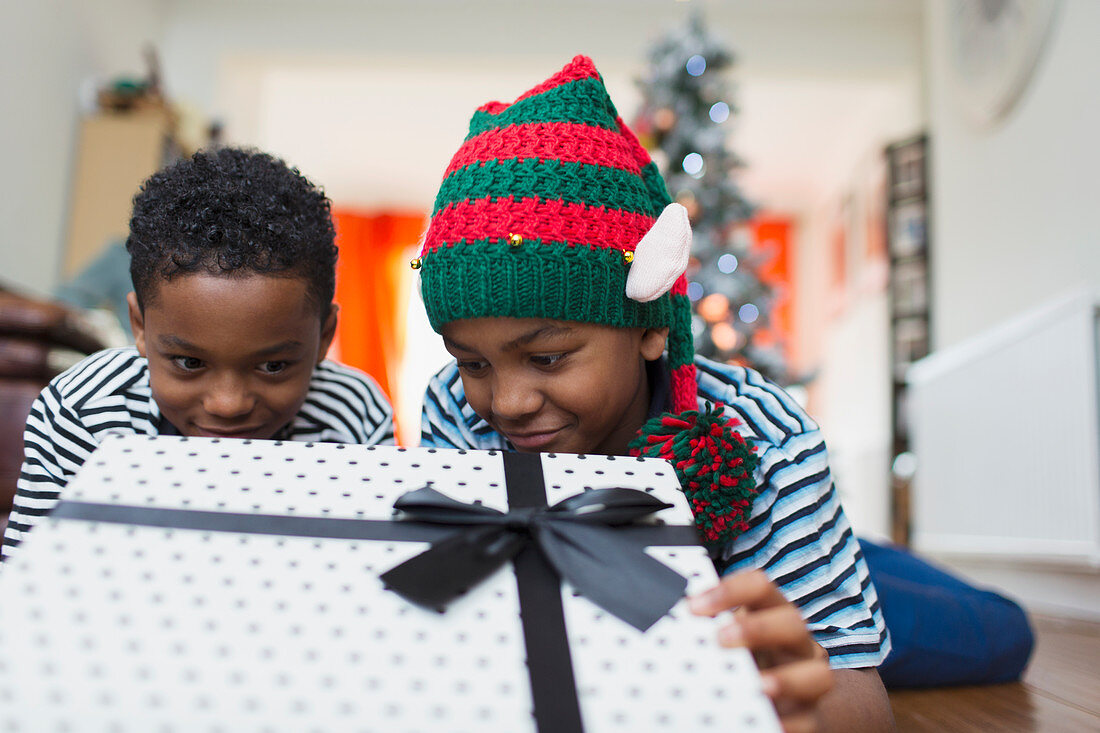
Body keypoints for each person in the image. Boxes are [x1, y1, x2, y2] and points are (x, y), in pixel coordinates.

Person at [417, 56, 894, 731]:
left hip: (788, 558)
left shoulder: (766, 443)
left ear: (646, 324)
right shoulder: (453, 407)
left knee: (990, 635)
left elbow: (859, 698)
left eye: (547, 356)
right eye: (473, 361)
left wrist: (803, 704)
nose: (509, 401)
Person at [2, 147, 394, 561]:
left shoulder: (353, 416)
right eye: (190, 363)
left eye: (273, 366)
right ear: (140, 326)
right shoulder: (83, 409)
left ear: (325, 336)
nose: (228, 405)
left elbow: (367, 565)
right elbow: (31, 577)